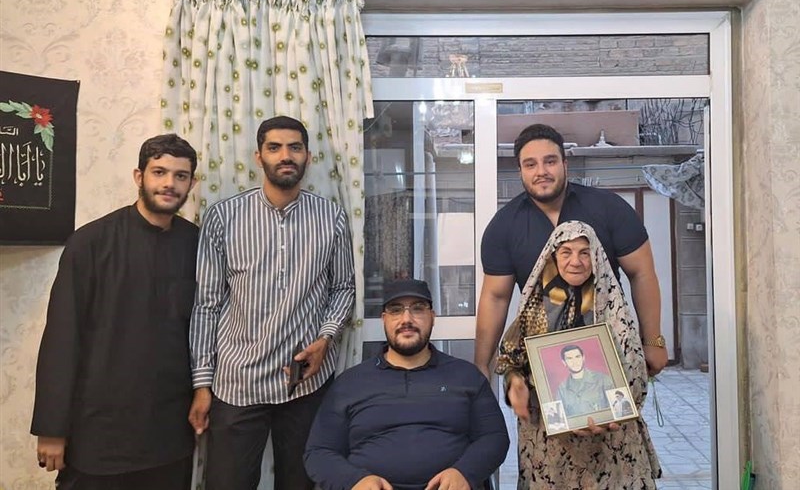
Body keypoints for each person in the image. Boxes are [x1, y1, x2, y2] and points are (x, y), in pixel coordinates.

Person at [189, 115, 356, 490]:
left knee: (301, 483)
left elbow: (343, 287)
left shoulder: (330, 217)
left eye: (295, 147)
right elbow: (206, 305)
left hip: (304, 384)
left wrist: (326, 338)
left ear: (308, 156)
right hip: (237, 382)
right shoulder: (223, 217)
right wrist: (201, 384)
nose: (285, 156)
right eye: (274, 147)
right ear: (258, 156)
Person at [31, 134, 199, 489]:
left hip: (169, 435)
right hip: (98, 434)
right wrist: (51, 428)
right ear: (139, 176)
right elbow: (62, 339)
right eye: (159, 172)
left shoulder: (197, 245)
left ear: (192, 183)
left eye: (180, 175)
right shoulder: (91, 242)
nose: (169, 183)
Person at [475, 123, 668, 380]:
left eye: (550, 161)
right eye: (530, 164)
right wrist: (481, 364)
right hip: (544, 361)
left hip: (610, 349)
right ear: (520, 170)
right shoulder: (503, 226)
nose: (541, 171)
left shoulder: (610, 208)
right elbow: (495, 297)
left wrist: (653, 340)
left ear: (565, 164)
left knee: (616, 408)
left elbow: (641, 273)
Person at [498, 221, 661, 488]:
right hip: (551, 447)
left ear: (595, 256)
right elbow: (511, 360)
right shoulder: (535, 308)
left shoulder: (611, 306)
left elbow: (632, 370)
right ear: (553, 257)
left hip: (609, 440)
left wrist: (611, 411)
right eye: (566, 252)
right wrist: (515, 382)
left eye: (584, 252)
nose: (576, 261)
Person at [304, 279, 509, 490]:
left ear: (432, 317)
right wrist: (354, 481)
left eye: (418, 309)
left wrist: (464, 472)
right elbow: (318, 452)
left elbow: (495, 437)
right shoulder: (350, 383)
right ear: (384, 319)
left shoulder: (466, 376)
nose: (406, 319)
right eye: (396, 310)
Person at [555, 344, 614, 417]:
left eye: (577, 357)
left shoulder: (603, 379)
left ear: (583, 358)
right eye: (569, 358)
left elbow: (616, 409)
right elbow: (562, 417)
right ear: (564, 362)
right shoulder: (562, 389)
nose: (575, 362)